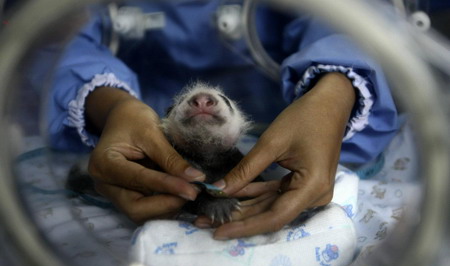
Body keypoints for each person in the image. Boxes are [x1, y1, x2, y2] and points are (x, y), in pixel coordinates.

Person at [43, 1, 398, 240]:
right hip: (131, 116)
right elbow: (45, 38)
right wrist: (111, 107)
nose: (202, 101)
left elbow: (359, 13)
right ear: (167, 123)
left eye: (218, 101)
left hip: (295, 108)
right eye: (188, 103)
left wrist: (334, 95)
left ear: (241, 126)